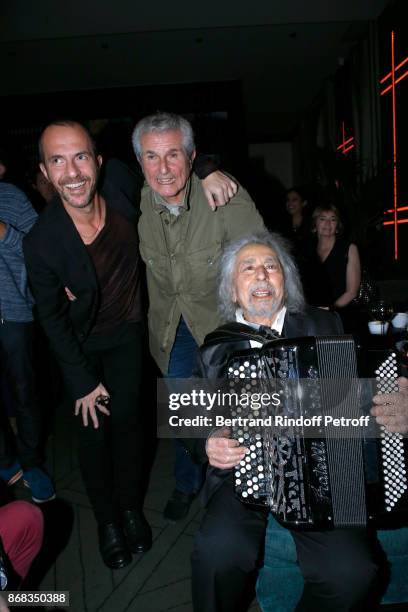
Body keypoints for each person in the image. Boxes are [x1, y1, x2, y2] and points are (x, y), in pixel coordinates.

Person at [23, 119, 237, 568]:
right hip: (82, 347)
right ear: (45, 171)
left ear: (98, 162)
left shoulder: (121, 185)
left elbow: (169, 168)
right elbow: (51, 320)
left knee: (129, 430)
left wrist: (207, 171)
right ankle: (106, 521)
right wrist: (81, 380)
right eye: (57, 160)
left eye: (80, 156)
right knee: (93, 437)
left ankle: (129, 510)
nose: (72, 171)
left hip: (127, 338)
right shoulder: (42, 242)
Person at [189, 231, 408, 612]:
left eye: (271, 267)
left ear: (285, 282)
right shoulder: (216, 346)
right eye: (249, 268)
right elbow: (189, 410)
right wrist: (207, 440)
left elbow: (361, 398)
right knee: (215, 554)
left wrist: (396, 406)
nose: (261, 275)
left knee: (354, 571)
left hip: (318, 477)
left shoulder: (325, 327)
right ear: (232, 289)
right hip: (241, 476)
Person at [131, 112, 265, 522]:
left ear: (192, 156)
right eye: (152, 157)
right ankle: (188, 483)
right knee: (187, 419)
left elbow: (261, 265)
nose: (163, 168)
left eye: (173, 155)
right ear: (140, 163)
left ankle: (233, 496)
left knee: (231, 416)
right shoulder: (140, 199)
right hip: (172, 331)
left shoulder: (224, 196)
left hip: (222, 330)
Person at [0, 181, 55, 503]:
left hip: (13, 314)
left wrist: (4, 231)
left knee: (25, 393)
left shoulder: (12, 196)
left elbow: (39, 250)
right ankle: (6, 462)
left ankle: (32, 463)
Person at [308, 203, 361, 332]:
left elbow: (352, 292)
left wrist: (331, 309)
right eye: (322, 219)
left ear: (337, 226)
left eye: (333, 219)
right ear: (315, 225)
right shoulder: (307, 250)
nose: (327, 223)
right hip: (312, 317)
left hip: (341, 316)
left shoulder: (349, 249)